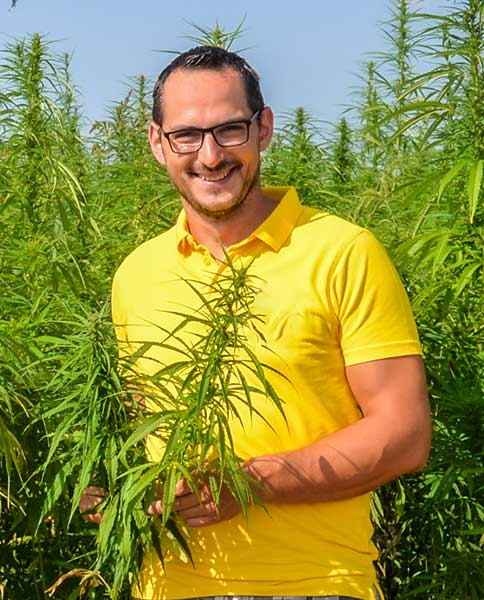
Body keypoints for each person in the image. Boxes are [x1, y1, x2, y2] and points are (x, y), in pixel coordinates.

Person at [80, 46, 431, 600]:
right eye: (187, 135)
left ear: (263, 128)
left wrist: (250, 483)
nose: (210, 155)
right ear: (157, 143)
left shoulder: (343, 252)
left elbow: (405, 434)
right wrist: (111, 489)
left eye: (230, 129)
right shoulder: (136, 275)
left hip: (314, 584)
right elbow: (135, 429)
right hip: (167, 586)